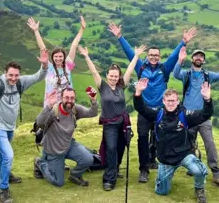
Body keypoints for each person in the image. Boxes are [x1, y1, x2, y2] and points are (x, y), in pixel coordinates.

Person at [108, 22, 197, 183]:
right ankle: (144, 169)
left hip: (161, 111)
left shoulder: (165, 68)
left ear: (159, 56)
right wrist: (120, 37)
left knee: (159, 138)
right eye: (151, 55)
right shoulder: (141, 67)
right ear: (147, 56)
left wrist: (184, 42)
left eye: (156, 55)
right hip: (144, 110)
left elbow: (173, 57)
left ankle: (153, 160)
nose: (154, 57)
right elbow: (130, 54)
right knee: (142, 138)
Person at [0, 43, 48, 203]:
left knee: (3, 154)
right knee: (9, 154)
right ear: (5, 73)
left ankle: (6, 174)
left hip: (10, 127)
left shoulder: (20, 82)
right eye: (10, 75)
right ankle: (3, 190)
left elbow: (38, 76)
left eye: (16, 75)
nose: (13, 78)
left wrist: (45, 65)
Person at [78, 44, 147, 191]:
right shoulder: (102, 86)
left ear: (119, 77)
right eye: (111, 76)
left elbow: (129, 70)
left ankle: (115, 169)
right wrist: (86, 56)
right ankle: (109, 179)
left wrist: (136, 56)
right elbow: (94, 72)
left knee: (121, 147)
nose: (113, 78)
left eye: (116, 76)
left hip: (123, 122)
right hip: (109, 124)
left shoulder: (122, 85)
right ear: (107, 75)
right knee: (111, 147)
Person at [133, 78, 214, 203]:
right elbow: (141, 108)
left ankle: (199, 189)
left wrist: (207, 100)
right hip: (166, 159)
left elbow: (205, 114)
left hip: (184, 154)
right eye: (168, 101)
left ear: (178, 102)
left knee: (199, 171)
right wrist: (138, 93)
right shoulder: (157, 114)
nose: (171, 103)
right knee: (161, 192)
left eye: (173, 101)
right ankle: (162, 179)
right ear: (163, 101)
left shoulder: (185, 115)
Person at [173, 47, 219, 189]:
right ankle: (193, 167)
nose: (199, 58)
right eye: (196, 56)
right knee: (189, 143)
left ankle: (217, 174)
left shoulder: (207, 75)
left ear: (203, 60)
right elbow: (175, 74)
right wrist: (180, 61)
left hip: (203, 116)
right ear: (192, 59)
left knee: (209, 144)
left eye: (201, 57)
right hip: (188, 115)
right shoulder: (186, 74)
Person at [33, 87, 99, 187]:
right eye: (66, 97)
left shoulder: (75, 109)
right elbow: (39, 121)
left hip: (69, 145)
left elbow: (92, 113)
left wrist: (93, 100)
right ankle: (40, 163)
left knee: (88, 159)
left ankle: (75, 175)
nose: (69, 100)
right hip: (54, 150)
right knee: (58, 182)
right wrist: (49, 105)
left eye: (72, 98)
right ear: (61, 98)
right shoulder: (53, 111)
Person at [27, 16, 86, 107]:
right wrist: (36, 31)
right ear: (52, 57)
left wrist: (82, 29)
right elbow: (42, 48)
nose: (58, 59)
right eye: (56, 56)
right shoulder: (48, 68)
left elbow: (74, 45)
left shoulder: (68, 66)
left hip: (67, 104)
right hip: (50, 105)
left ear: (64, 57)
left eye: (60, 56)